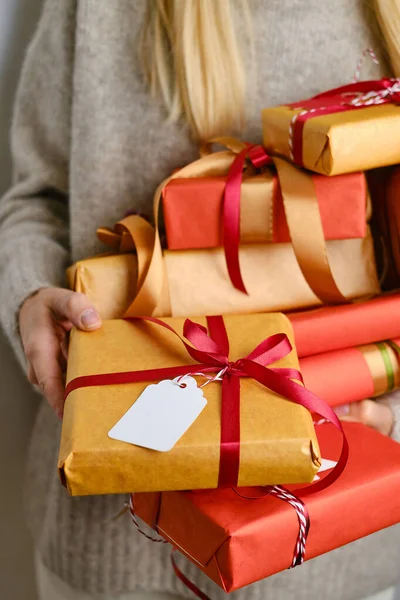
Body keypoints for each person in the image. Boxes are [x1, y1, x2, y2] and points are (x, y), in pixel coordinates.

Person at [0, 1, 399, 599]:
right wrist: (28, 295)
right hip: (111, 547)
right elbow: (36, 199)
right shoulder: (99, 11)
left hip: (338, 544)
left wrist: (391, 406)